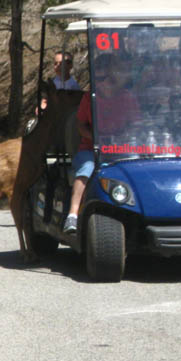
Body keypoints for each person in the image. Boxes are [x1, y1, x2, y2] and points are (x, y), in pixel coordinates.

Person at [63, 53, 139, 234]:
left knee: (136, 167)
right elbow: (81, 126)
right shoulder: (90, 98)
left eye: (107, 76)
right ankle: (72, 215)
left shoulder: (127, 97)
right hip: (92, 148)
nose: (104, 81)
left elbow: (136, 125)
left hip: (121, 148)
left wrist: (124, 137)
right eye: (99, 77)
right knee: (87, 169)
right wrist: (96, 138)